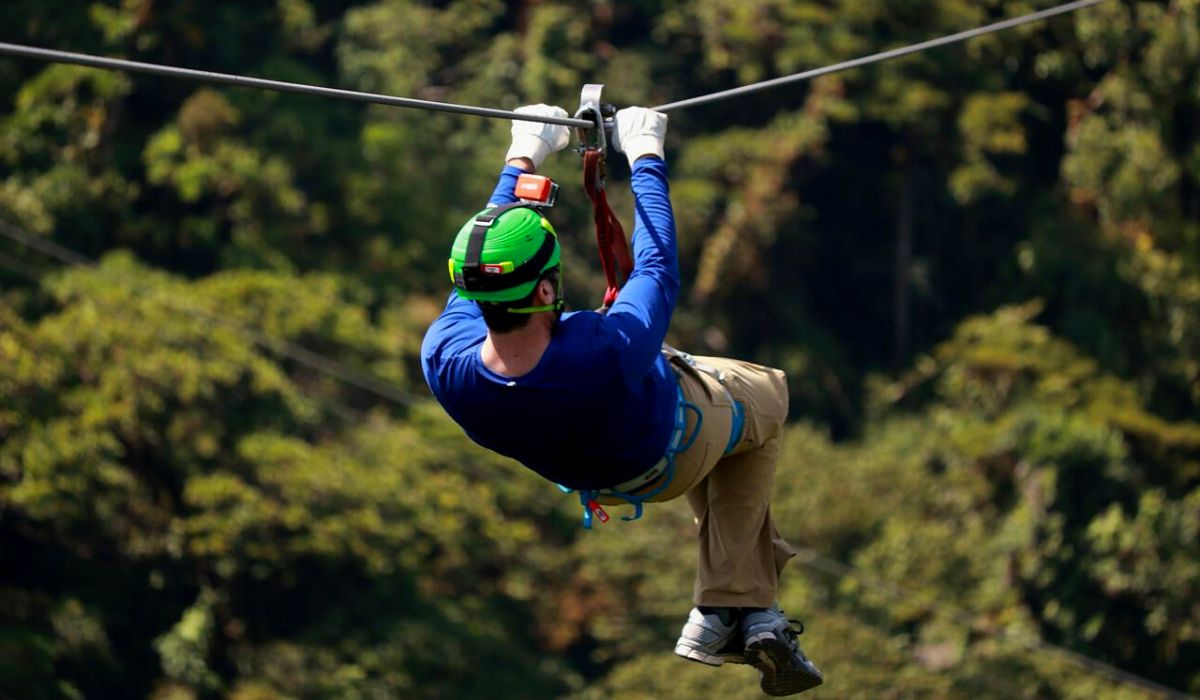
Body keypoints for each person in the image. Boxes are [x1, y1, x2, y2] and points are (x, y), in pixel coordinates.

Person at [421, 103, 823, 696]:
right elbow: (656, 268)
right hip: (671, 447)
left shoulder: (446, 360)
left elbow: (484, 264)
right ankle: (729, 604)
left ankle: (744, 611)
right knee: (766, 394)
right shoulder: (601, 349)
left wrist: (523, 156)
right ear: (549, 288)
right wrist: (647, 158)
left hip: (601, 475)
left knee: (724, 425)